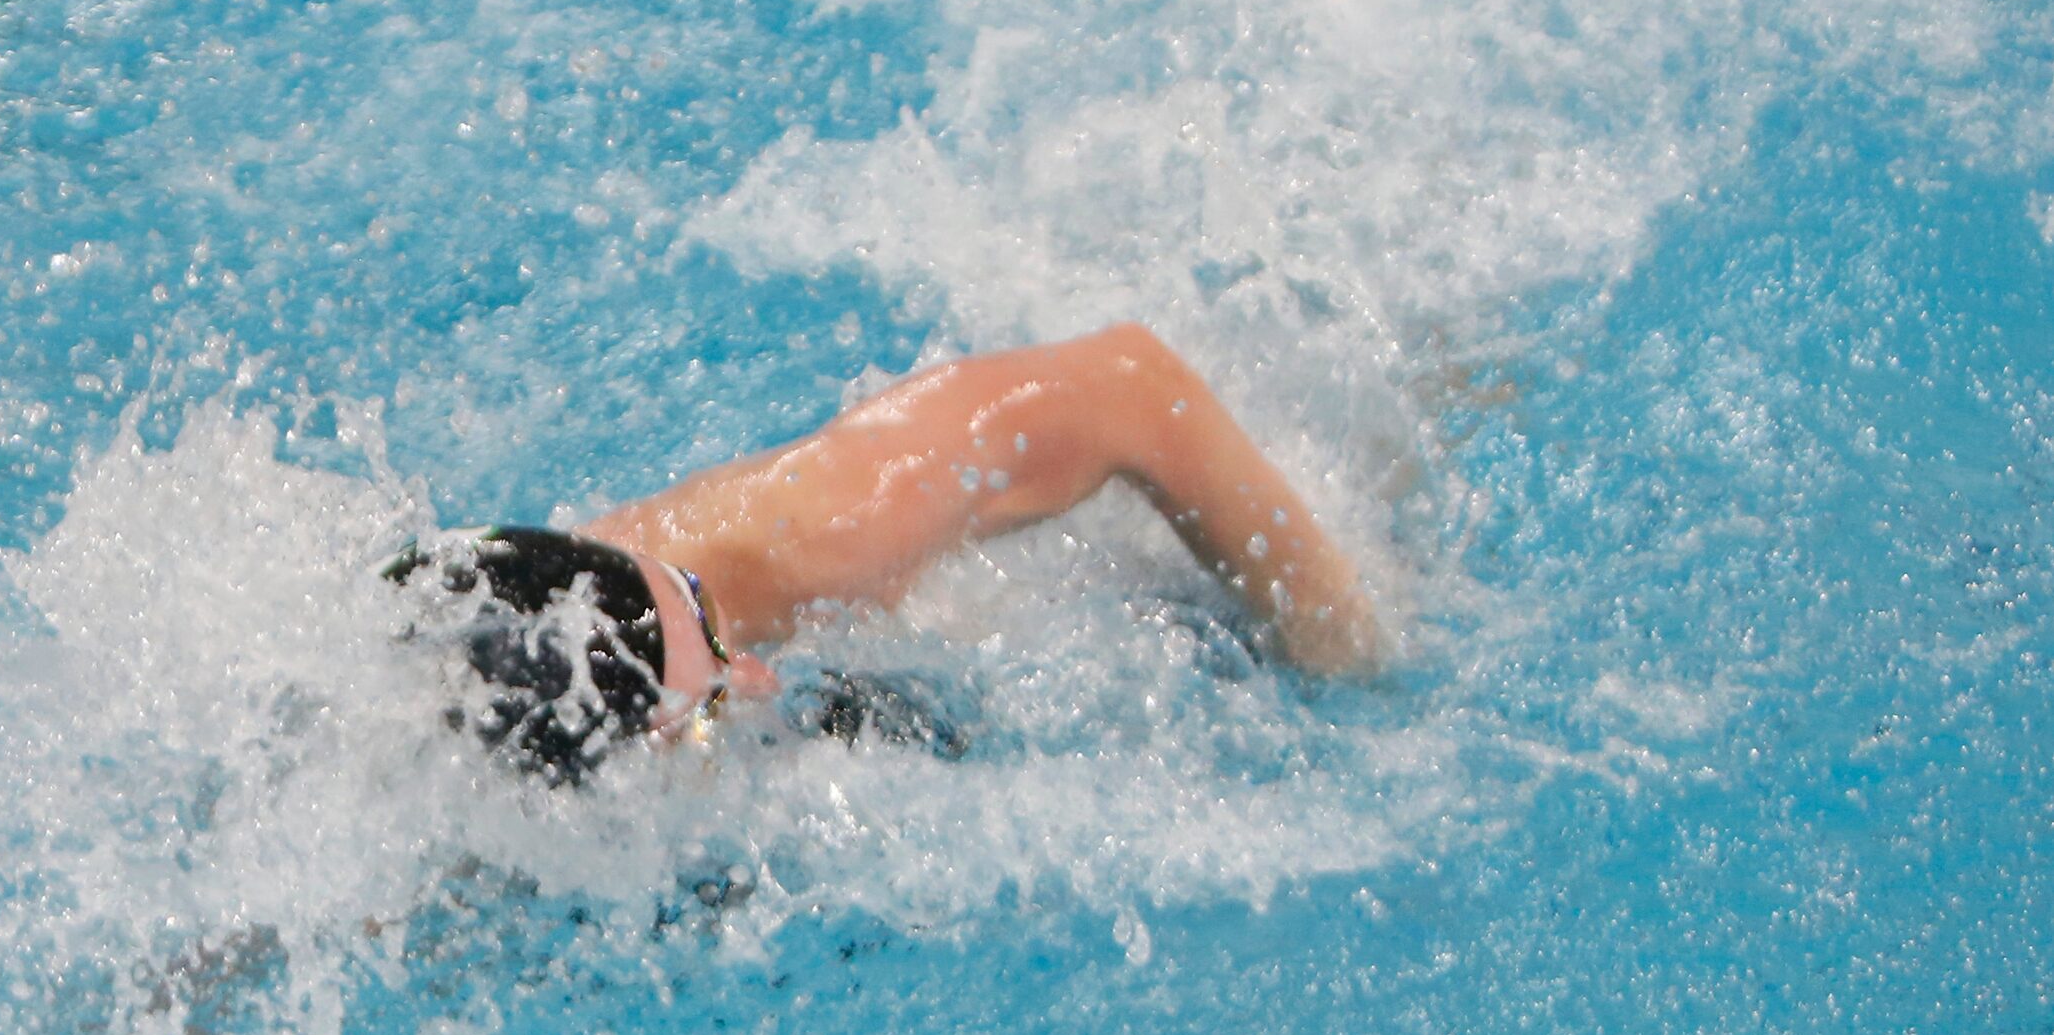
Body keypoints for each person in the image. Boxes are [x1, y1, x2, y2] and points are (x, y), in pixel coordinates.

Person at [387, 323, 1384, 780]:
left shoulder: (830, 524)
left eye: (724, 676)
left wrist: (1344, 649)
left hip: (1233, 467)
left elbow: (1130, 384)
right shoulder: (445, 720)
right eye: (712, 707)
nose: (755, 680)